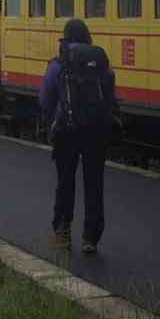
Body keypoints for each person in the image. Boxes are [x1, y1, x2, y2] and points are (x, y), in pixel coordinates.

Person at [39, 18, 117, 254]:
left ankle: (62, 232)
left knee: (66, 181)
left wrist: (53, 120)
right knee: (94, 183)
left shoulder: (58, 63)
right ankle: (90, 237)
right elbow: (111, 96)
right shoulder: (101, 61)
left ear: (65, 37)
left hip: (66, 130)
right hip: (97, 130)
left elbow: (45, 100)